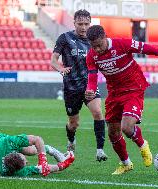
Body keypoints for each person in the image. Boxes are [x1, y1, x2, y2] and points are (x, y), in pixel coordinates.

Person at [85, 25, 158, 175]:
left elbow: (152, 49)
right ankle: (126, 164)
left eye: (99, 45)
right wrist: (90, 90)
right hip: (114, 93)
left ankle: (143, 145)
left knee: (127, 127)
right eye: (94, 46)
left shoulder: (122, 44)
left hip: (133, 89)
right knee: (113, 133)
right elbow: (92, 77)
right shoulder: (91, 55)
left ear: (105, 37)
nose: (97, 49)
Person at [50, 9, 107, 162]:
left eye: (86, 24)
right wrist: (60, 68)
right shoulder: (65, 38)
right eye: (80, 24)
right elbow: (53, 60)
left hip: (90, 85)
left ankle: (100, 150)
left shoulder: (94, 40)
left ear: (90, 24)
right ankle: (71, 140)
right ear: (74, 23)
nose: (83, 27)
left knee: (97, 112)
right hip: (71, 87)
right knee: (74, 123)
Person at [0, 126, 75, 177]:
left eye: (25, 161)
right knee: (31, 151)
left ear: (16, 153)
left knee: (30, 150)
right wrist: (65, 163)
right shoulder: (15, 172)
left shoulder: (8, 142)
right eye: (25, 164)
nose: (28, 162)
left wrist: (43, 160)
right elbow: (47, 169)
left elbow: (37, 139)